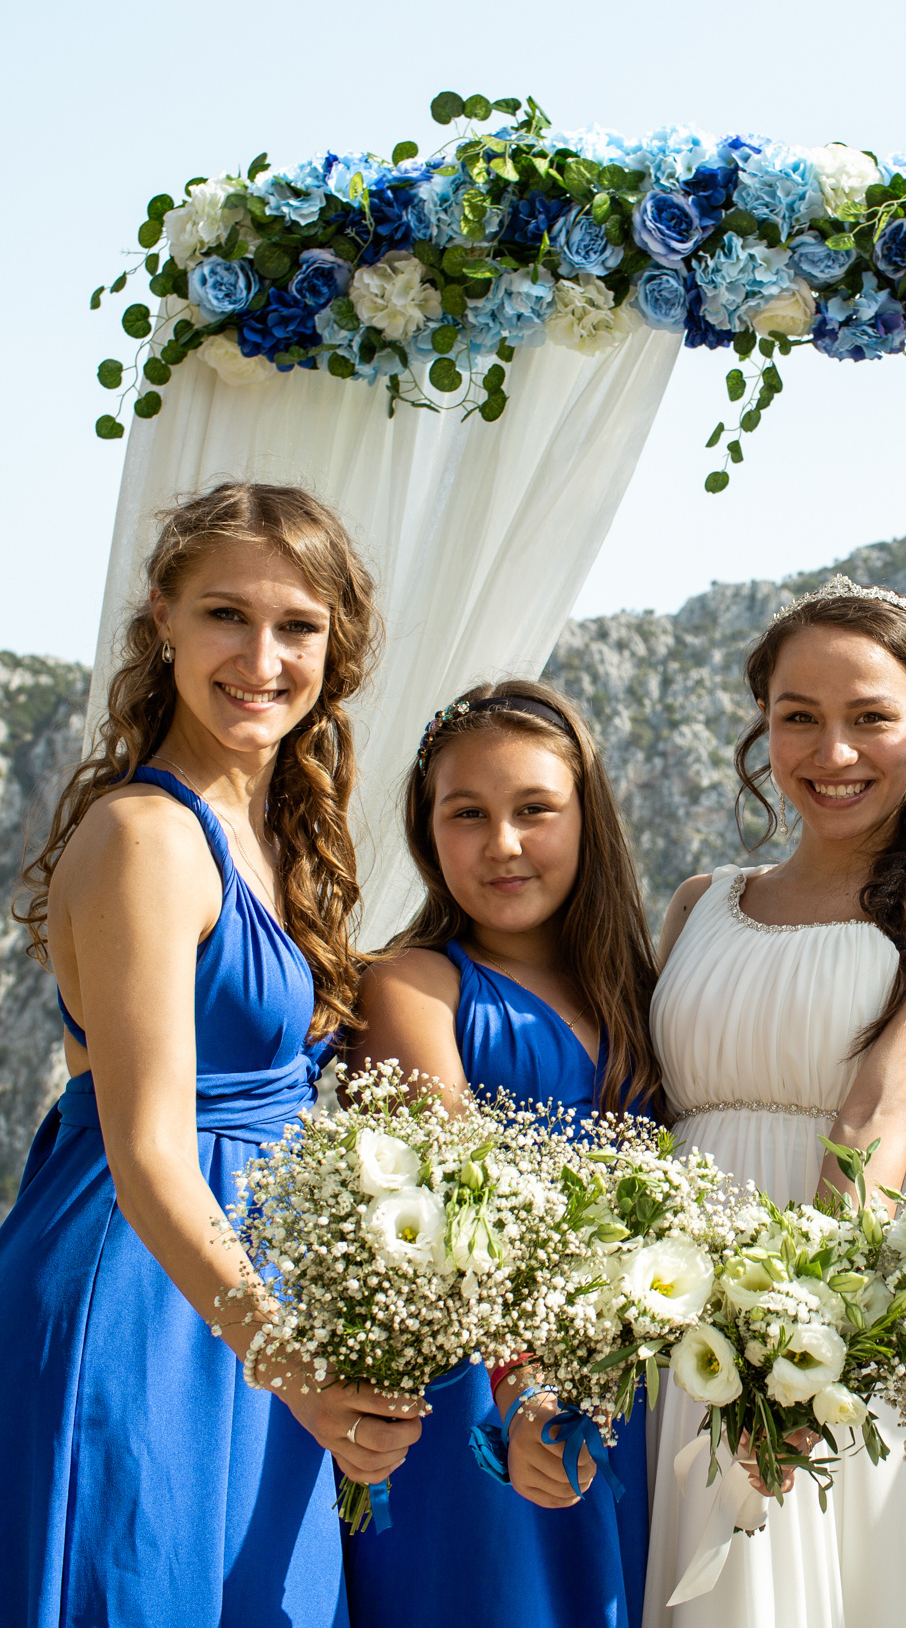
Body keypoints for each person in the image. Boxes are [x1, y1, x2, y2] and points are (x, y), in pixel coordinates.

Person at [0, 483, 419, 1628]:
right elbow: (147, 1153)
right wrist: (301, 1370)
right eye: (226, 613)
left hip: (239, 1318)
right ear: (162, 621)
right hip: (130, 1324)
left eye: (298, 626)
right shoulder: (145, 835)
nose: (260, 655)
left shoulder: (273, 838)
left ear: (339, 646)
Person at [643, 577, 906, 1628]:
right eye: (798, 717)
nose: (832, 751)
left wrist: (801, 1348)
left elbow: (882, 1109)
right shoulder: (698, 901)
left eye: (869, 717)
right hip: (681, 1316)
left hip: (839, 1310)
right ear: (763, 727)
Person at [341, 679, 661, 1628]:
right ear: (426, 831)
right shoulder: (412, 985)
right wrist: (524, 1384)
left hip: (622, 1387)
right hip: (485, 1395)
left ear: (586, 820)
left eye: (534, 810)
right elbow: (456, 1208)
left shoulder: (641, 996)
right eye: (467, 814)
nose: (503, 844)